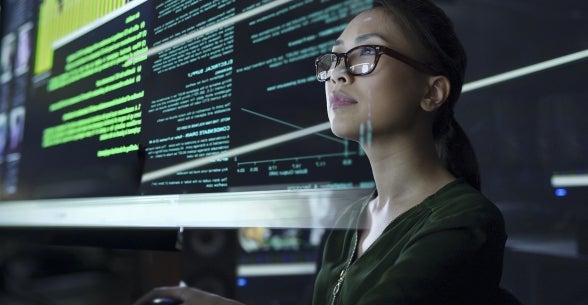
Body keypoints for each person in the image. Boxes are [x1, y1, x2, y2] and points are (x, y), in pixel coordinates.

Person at [133, 0, 512, 304]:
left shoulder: (465, 220)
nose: (337, 74)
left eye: (365, 55)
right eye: (333, 59)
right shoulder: (353, 215)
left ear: (432, 92)